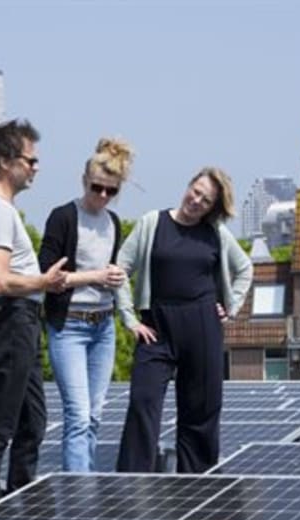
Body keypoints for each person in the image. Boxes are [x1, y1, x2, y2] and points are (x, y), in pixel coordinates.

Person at [114, 167, 253, 473]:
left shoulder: (216, 233)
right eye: (196, 191)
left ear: (212, 208)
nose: (196, 200)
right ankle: (132, 484)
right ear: (188, 185)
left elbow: (245, 269)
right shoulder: (153, 223)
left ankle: (196, 484)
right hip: (156, 328)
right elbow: (119, 270)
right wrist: (129, 318)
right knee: (143, 402)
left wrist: (231, 306)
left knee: (201, 410)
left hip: (203, 326)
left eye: (206, 200)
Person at [0, 118, 68, 512]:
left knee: (32, 421)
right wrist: (44, 281)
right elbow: (1, 279)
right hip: (11, 319)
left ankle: (21, 495)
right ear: (7, 161)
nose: (36, 168)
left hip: (19, 319)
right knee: (1, 422)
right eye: (31, 160)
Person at [39, 137, 132, 472]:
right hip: (69, 326)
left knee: (94, 414)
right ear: (84, 181)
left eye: (111, 191)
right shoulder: (63, 217)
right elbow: (46, 277)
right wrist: (95, 276)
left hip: (103, 326)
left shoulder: (114, 223)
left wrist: (118, 286)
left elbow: (112, 274)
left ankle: (86, 483)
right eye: (97, 188)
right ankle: (79, 496)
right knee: (77, 415)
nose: (103, 196)